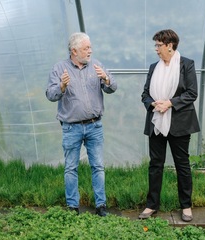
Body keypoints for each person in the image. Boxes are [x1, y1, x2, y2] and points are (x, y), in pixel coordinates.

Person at [45, 32, 117, 217]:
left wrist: (106, 79)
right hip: (71, 127)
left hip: (94, 126)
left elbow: (113, 87)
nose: (90, 51)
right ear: (74, 50)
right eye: (86, 48)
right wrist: (62, 86)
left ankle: (101, 205)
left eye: (90, 47)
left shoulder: (97, 65)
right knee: (71, 167)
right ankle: (72, 207)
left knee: (98, 166)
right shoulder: (59, 68)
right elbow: (50, 95)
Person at [139, 29, 200, 222]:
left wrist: (170, 103)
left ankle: (186, 206)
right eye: (156, 45)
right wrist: (153, 103)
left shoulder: (186, 65)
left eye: (158, 45)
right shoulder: (153, 67)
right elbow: (145, 95)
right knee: (155, 165)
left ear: (170, 46)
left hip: (180, 123)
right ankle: (151, 205)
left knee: (182, 165)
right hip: (156, 121)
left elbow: (192, 93)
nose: (156, 49)